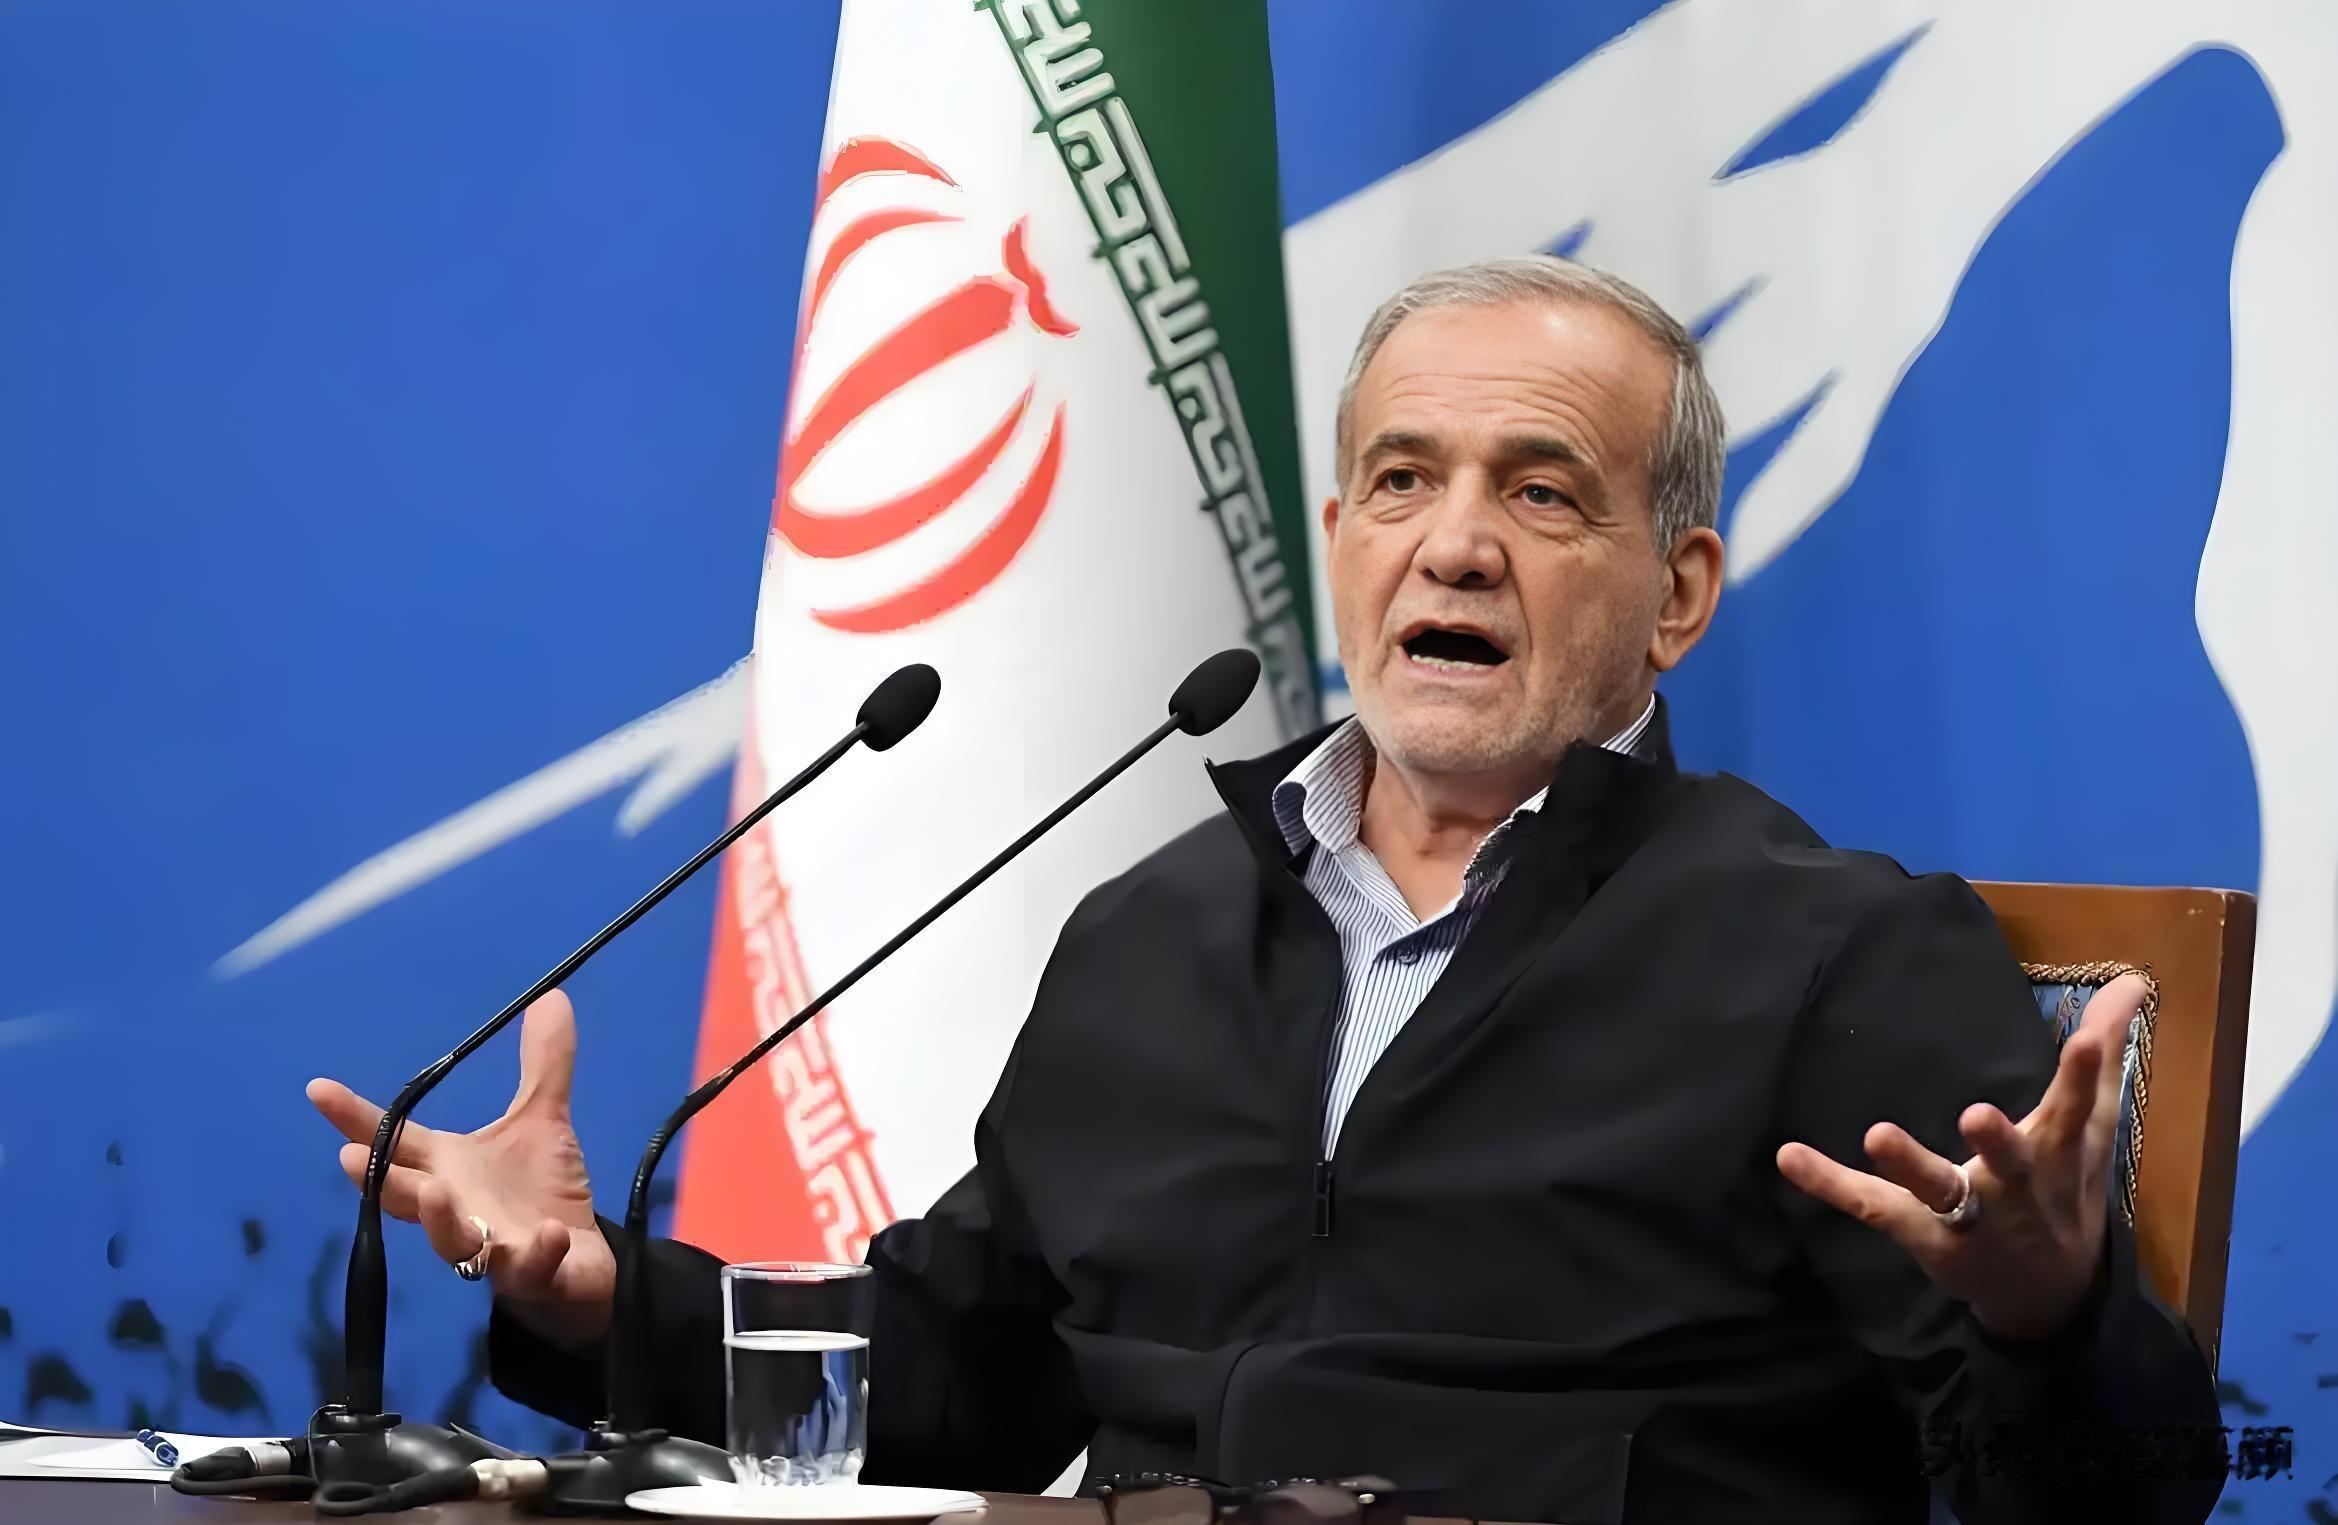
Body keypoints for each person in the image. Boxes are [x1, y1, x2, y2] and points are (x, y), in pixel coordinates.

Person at [309, 257, 2223, 1524]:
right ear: (1340, 542)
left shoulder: (1831, 950)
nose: (1451, 542)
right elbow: (966, 1372)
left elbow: (2108, 1497)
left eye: (1541, 491)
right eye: (1400, 480)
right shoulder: (1152, 929)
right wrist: (597, 1296)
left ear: (1677, 594)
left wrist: (2047, 1320)